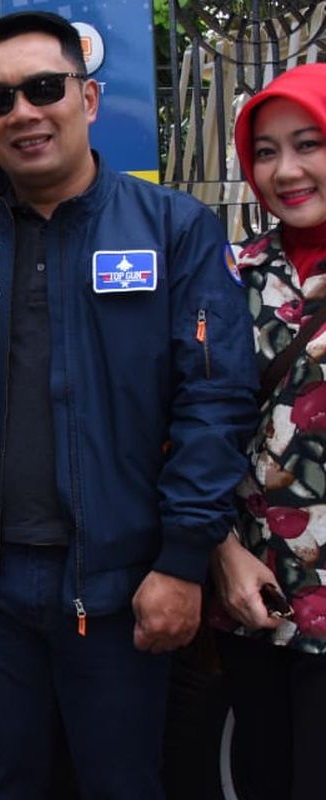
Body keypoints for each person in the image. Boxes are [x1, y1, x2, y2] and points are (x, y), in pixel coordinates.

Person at [0, 11, 257, 799]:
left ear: (88, 99)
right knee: (6, 782)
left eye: (44, 88)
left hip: (123, 582)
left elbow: (216, 402)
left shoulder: (173, 231)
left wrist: (180, 562)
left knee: (124, 785)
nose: (23, 112)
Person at [208, 61, 326, 800]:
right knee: (273, 775)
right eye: (267, 150)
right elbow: (184, 427)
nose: (286, 170)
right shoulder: (228, 276)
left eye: (309, 143)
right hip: (262, 592)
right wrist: (220, 553)